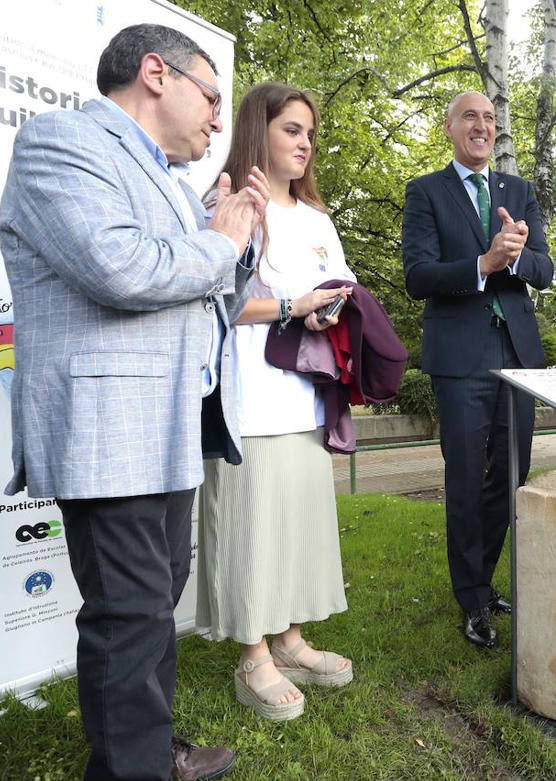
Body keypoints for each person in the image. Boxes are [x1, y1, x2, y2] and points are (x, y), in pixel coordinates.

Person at [0, 24, 267, 781]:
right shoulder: (60, 143)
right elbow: (124, 269)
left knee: (152, 611)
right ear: (157, 73)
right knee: (127, 618)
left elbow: (200, 291)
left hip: (168, 427)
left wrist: (240, 239)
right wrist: (219, 238)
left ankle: (153, 752)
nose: (220, 120)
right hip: (108, 432)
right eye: (212, 98)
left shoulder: (169, 181)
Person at [197, 84, 355, 722]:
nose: (305, 144)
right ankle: (252, 653)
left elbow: (335, 290)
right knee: (250, 528)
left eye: (310, 134)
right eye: (292, 130)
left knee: (295, 523)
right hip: (248, 401)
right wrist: (291, 307)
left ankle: (289, 640)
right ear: (258, 130)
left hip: (304, 398)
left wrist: (329, 311)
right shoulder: (229, 202)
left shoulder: (318, 218)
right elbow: (211, 296)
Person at [402, 92, 554, 649]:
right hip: (460, 358)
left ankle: (484, 580)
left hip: (516, 356)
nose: (482, 126)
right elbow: (417, 275)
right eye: (471, 116)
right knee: (465, 479)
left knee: (510, 478)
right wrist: (482, 265)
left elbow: (546, 269)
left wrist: (514, 257)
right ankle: (471, 598)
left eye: (490, 118)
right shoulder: (425, 192)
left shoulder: (519, 192)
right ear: (449, 128)